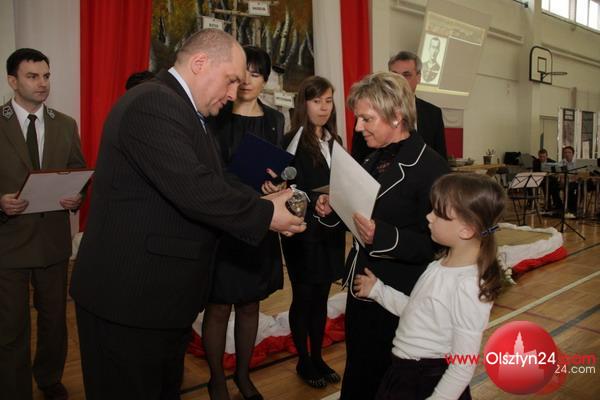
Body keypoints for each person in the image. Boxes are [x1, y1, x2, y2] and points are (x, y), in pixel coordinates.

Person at [69, 29, 305, 400]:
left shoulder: (184, 111)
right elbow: (195, 188)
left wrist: (268, 199)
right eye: (231, 80)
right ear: (199, 63)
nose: (233, 94)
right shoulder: (153, 103)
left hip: (158, 300)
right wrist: (265, 214)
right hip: (128, 301)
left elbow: (218, 178)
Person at [316, 72, 449, 400]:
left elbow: (437, 244)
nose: (359, 127)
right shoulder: (371, 158)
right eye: (358, 118)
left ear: (397, 116)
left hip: (400, 294)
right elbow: (358, 215)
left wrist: (383, 236)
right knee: (359, 373)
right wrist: (332, 209)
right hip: (362, 288)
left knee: (391, 381)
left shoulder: (431, 167)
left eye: (367, 119)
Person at [353, 173, 506, 400]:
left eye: (438, 213)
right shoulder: (439, 265)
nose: (429, 216)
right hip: (403, 372)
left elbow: (463, 365)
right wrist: (379, 291)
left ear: (466, 229)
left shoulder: (468, 286)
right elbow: (417, 311)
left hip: (427, 381)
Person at [0, 48, 86, 400]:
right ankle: (14, 390)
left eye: (46, 76)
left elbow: (78, 170)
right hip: (8, 243)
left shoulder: (65, 124)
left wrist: (76, 196)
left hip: (52, 241)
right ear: (12, 81)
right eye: (33, 76)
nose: (42, 83)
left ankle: (49, 379)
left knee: (54, 320)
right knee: (11, 326)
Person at [202, 45, 285, 400]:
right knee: (219, 305)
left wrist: (276, 184)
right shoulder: (216, 115)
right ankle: (216, 379)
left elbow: (278, 169)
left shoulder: (275, 119)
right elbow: (208, 171)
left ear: (266, 80)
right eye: (244, 72)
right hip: (223, 222)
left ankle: (243, 375)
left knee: (251, 304)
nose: (248, 80)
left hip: (260, 220)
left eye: (256, 73)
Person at [281, 76, 346, 389]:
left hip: (331, 230)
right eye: (317, 101)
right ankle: (303, 360)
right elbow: (287, 187)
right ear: (303, 104)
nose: (323, 107)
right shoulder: (291, 140)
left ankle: (317, 357)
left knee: (321, 298)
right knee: (304, 297)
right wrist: (313, 198)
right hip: (303, 229)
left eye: (328, 101)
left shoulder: (336, 141)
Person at [352, 51, 447, 162]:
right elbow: (357, 159)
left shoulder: (433, 113)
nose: (399, 80)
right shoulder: (368, 113)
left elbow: (441, 158)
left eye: (406, 75)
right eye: (394, 75)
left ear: (419, 77)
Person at [560, 145, 578, 217]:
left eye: (569, 152)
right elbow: (561, 175)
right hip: (565, 182)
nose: (567, 154)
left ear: (573, 154)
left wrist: (571, 179)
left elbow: (578, 175)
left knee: (572, 188)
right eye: (565, 152)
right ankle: (559, 206)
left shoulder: (577, 163)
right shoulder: (561, 163)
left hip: (574, 182)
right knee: (553, 187)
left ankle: (572, 209)